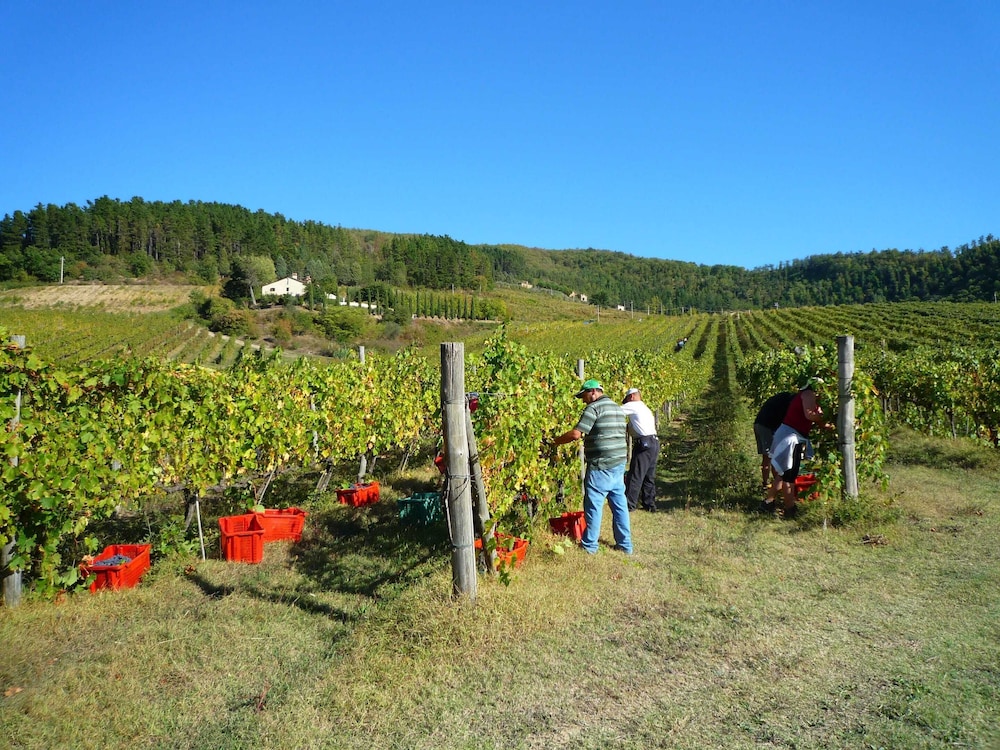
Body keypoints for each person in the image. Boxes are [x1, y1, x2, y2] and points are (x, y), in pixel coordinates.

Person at [548, 379, 633, 554]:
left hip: (601, 465)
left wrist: (554, 442)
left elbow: (576, 434)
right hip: (618, 463)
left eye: (584, 396)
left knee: (593, 505)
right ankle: (625, 545)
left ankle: (589, 546)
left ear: (593, 392)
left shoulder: (594, 408)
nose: (583, 400)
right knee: (619, 505)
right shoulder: (617, 408)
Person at [762, 378, 832, 518]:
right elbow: (810, 415)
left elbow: (817, 420)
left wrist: (831, 426)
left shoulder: (808, 397)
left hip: (790, 436)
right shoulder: (808, 394)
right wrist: (826, 417)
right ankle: (790, 510)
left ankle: (768, 503)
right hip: (790, 438)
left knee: (783, 473)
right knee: (789, 475)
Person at [621, 387, 660, 512]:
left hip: (644, 443)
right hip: (654, 442)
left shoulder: (633, 405)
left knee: (635, 474)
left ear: (631, 396)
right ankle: (649, 504)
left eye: (627, 400)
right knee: (649, 475)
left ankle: (629, 505)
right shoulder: (645, 408)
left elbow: (615, 412)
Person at [753, 391, 795, 493]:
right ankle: (772, 485)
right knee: (772, 457)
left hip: (759, 424)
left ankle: (768, 483)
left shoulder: (784, 397)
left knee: (767, 457)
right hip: (766, 427)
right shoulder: (788, 404)